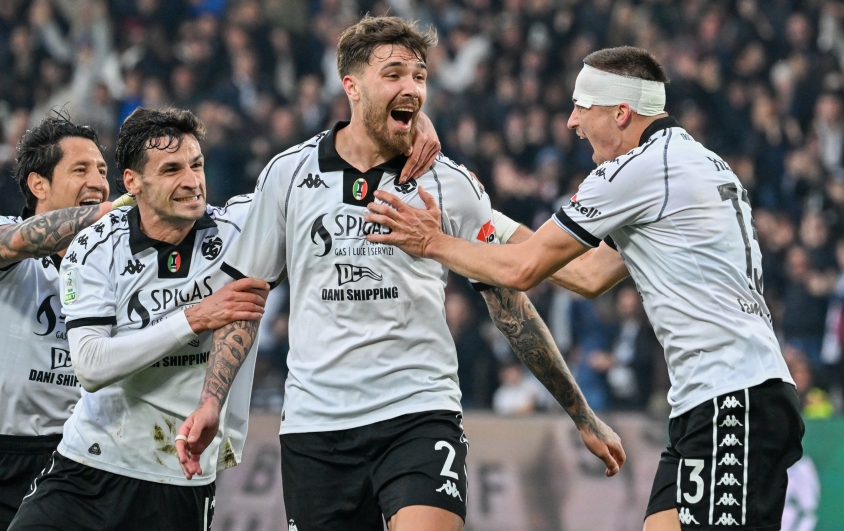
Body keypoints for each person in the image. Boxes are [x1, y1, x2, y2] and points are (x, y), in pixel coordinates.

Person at [177, 16, 623, 531]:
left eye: (419, 76)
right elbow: (244, 300)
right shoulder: (289, 175)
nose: (411, 87)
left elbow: (510, 308)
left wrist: (580, 413)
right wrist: (211, 401)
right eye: (394, 74)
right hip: (316, 428)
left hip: (419, 411)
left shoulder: (450, 183)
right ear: (352, 86)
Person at [367, 46, 804, 531]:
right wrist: (481, 214)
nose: (572, 121)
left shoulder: (634, 172)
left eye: (582, 107)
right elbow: (589, 276)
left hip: (731, 399)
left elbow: (523, 271)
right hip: (721, 399)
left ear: (621, 113)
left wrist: (433, 241)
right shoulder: (693, 162)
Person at [4, 107, 270, 530]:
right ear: (133, 182)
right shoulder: (94, 247)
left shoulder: (240, 230)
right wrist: (196, 317)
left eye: (196, 165)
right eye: (171, 169)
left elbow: (315, 187)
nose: (191, 181)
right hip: (88, 464)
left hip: (178, 476)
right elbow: (92, 365)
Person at [0, 114, 137, 531]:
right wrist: (105, 213)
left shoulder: (116, 270)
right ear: (39, 184)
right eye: (80, 169)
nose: (97, 179)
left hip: (75, 470)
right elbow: (17, 242)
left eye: (100, 170)